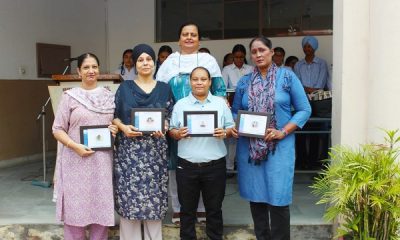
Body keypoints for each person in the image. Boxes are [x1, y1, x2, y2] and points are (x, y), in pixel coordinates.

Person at [231, 36, 311, 239]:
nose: (258, 55)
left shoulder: (287, 77)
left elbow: (304, 109)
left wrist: (283, 131)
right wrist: (235, 126)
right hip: (250, 150)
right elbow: (235, 112)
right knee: (257, 200)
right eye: (254, 51)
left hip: (280, 147)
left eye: (262, 50)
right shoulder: (244, 81)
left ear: (271, 51)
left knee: (278, 199)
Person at [156, 21, 227, 224]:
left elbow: (220, 91)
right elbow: (160, 92)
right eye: (185, 34)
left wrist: (220, 119)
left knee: (204, 165)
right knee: (175, 165)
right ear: (179, 39)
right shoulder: (170, 61)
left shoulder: (208, 60)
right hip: (177, 124)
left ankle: (203, 208)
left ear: (198, 39)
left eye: (193, 35)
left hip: (206, 123)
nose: (189, 37)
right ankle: (178, 208)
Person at [52, 53, 117, 240]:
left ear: (99, 70)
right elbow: (57, 129)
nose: (91, 71)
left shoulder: (109, 97)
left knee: (100, 211)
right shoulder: (70, 97)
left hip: (101, 162)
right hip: (75, 161)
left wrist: (114, 129)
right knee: (75, 212)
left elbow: (115, 123)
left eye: (94, 67)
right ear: (78, 71)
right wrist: (74, 146)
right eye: (86, 67)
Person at [112, 44, 174, 240]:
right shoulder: (124, 88)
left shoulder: (164, 88)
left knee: (153, 204)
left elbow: (172, 116)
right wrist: (123, 128)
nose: (145, 63)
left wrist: (164, 125)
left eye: (148, 59)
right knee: (129, 202)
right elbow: (113, 116)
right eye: (140, 59)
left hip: (155, 154)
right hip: (129, 155)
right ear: (135, 63)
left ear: (154, 62)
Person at [169, 66, 235, 240]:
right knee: (187, 210)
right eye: (195, 79)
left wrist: (225, 132)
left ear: (210, 82)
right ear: (190, 82)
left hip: (215, 166)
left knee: (214, 209)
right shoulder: (181, 104)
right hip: (187, 166)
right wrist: (177, 133)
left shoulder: (220, 104)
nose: (199, 82)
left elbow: (231, 127)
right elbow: (171, 130)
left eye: (203, 79)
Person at [294, 36, 331, 169]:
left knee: (316, 133)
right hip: (302, 102)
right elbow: (297, 84)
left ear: (314, 47)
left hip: (319, 102)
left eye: (309, 46)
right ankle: (301, 161)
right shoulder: (298, 64)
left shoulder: (322, 63)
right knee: (300, 132)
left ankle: (314, 163)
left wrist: (307, 89)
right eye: (305, 46)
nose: (307, 49)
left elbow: (321, 84)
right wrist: (308, 90)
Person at [222, 44, 254, 175]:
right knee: (232, 137)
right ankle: (229, 167)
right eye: (236, 57)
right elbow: (223, 89)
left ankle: (245, 167)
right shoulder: (227, 69)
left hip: (248, 106)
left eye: (241, 57)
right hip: (231, 106)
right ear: (233, 56)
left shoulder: (251, 69)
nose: (239, 60)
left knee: (248, 137)